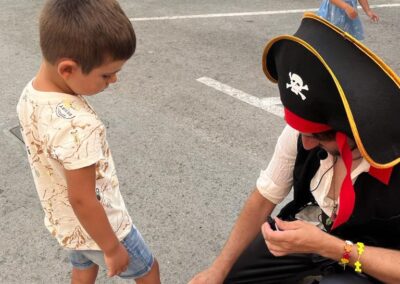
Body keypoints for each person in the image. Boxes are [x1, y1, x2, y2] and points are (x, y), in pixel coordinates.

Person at [189, 13, 400, 284]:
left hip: (374, 258)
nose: (306, 143)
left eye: (319, 137)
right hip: (312, 234)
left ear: (354, 128)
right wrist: (219, 268)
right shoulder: (303, 134)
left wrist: (331, 247)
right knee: (235, 277)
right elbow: (263, 198)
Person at [16, 1, 160, 283]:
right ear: (67, 69)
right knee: (148, 270)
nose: (114, 80)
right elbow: (82, 198)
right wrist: (112, 247)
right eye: (106, 74)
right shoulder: (80, 125)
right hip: (105, 229)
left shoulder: (30, 94)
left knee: (83, 266)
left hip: (67, 224)